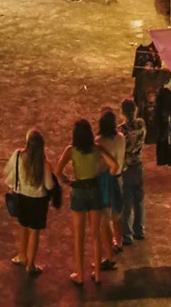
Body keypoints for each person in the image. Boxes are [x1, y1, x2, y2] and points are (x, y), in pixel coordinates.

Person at [57, 119, 118, 285]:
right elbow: (114, 165)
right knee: (95, 235)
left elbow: (58, 170)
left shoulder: (71, 150)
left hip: (78, 191)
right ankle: (97, 274)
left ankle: (79, 274)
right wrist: (103, 177)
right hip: (94, 190)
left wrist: (68, 182)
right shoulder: (97, 148)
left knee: (79, 237)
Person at [5, 128, 57, 277]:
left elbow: (9, 176)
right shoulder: (44, 163)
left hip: (22, 197)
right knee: (34, 230)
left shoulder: (18, 156)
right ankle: (31, 265)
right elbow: (49, 185)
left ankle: (22, 255)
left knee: (23, 225)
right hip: (38, 200)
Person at [96, 108, 126, 255]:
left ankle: (108, 251)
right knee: (117, 214)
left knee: (105, 216)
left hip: (105, 180)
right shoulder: (121, 137)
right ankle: (118, 242)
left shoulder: (99, 141)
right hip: (119, 177)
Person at [119, 99, 146, 244]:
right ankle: (139, 230)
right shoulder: (141, 124)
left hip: (126, 168)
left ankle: (127, 235)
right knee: (139, 200)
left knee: (126, 203)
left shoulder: (121, 130)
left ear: (122, 112)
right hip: (138, 165)